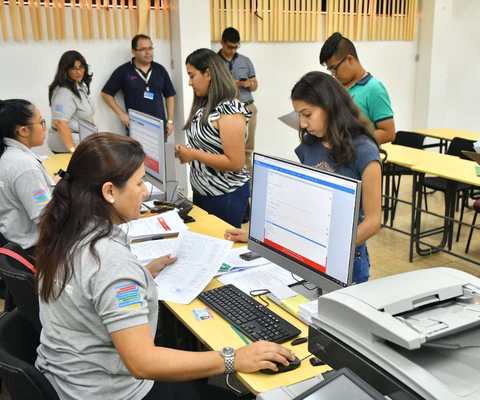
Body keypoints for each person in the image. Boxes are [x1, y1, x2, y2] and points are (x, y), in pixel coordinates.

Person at [35, 133, 295, 400]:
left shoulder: (67, 229)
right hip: (112, 392)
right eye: (139, 182)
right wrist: (233, 359)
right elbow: (143, 363)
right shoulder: (110, 263)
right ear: (109, 191)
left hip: (68, 379)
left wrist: (141, 276)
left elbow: (89, 291)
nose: (146, 190)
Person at [226, 72, 382, 283]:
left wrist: (332, 250)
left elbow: (373, 221)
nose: (302, 124)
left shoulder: (364, 151)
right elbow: (302, 205)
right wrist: (262, 237)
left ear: (329, 107)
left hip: (348, 260)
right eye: (299, 115)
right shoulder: (310, 147)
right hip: (312, 251)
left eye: (307, 115)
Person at [175, 49, 251, 228]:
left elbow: (235, 162)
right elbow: (208, 148)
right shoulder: (205, 104)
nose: (189, 82)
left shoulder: (229, 109)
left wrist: (193, 154)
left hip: (224, 195)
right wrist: (187, 153)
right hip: (203, 191)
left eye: (192, 76)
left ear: (208, 73)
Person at [319, 32, 395, 145]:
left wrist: (351, 143)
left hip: (361, 158)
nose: (333, 74)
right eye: (330, 71)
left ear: (349, 59)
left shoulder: (374, 89)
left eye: (334, 69)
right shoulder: (337, 87)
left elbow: (388, 133)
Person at [0, 99, 53, 254]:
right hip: (36, 249)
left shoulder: (10, 155)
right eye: (41, 122)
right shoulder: (24, 167)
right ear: (23, 131)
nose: (45, 128)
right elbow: (46, 218)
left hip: (14, 239)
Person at [101, 34, 176, 135]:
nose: (148, 52)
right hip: (136, 127)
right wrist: (121, 114)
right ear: (134, 51)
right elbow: (106, 94)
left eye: (150, 48)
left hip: (159, 127)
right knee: (137, 151)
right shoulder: (123, 71)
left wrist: (170, 121)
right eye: (143, 49)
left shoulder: (160, 70)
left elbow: (170, 95)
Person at [218, 27, 259, 170]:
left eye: (236, 47)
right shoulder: (214, 63)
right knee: (230, 148)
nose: (233, 50)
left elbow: (255, 85)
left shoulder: (245, 61)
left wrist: (247, 83)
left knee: (247, 148)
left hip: (248, 106)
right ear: (222, 43)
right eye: (230, 47)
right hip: (226, 110)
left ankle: (248, 178)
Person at [48, 50, 95, 153]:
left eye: (81, 67)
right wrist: (73, 150)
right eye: (74, 69)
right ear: (65, 70)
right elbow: (60, 123)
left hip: (82, 139)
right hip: (68, 144)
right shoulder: (64, 92)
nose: (79, 72)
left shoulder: (80, 85)